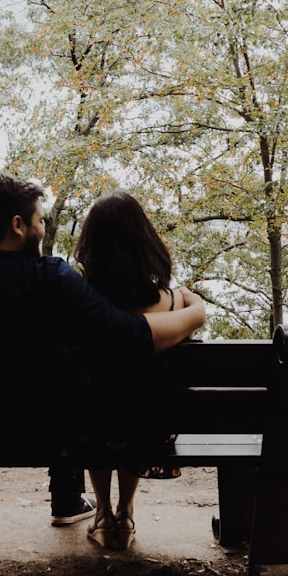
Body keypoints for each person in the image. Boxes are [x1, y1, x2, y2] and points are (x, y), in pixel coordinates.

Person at [0, 173, 206, 528]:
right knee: (78, 403)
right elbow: (131, 336)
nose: (42, 227)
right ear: (18, 226)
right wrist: (195, 312)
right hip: (38, 435)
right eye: (39, 220)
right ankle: (69, 500)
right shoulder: (52, 281)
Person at [72, 190, 189, 550]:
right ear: (145, 241)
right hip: (151, 430)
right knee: (137, 412)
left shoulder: (80, 302)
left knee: (95, 414)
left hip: (89, 429)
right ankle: (126, 513)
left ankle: (103, 514)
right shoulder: (172, 302)